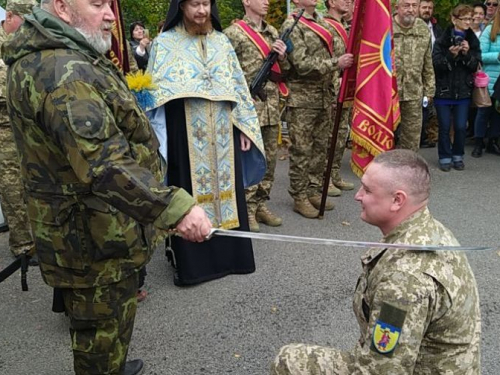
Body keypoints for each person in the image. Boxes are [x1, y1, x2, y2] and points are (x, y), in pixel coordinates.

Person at [3, 1, 212, 374]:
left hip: (97, 227)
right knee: (99, 332)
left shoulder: (66, 54)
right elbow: (104, 163)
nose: (111, 14)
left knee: (109, 325)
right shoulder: (62, 73)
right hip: (90, 236)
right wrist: (175, 208)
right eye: (96, 3)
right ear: (63, 8)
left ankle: (109, 363)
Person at [271, 149, 481, 375]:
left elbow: (383, 371)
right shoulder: (427, 229)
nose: (358, 195)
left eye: (368, 190)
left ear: (397, 200)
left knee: (288, 361)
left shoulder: (404, 280)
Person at [146, 0, 266, 285]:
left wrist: (242, 130)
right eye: (194, 4)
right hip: (184, 134)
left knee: (230, 194)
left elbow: (237, 88)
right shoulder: (164, 44)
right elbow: (154, 96)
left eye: (206, 4)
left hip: (224, 131)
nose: (201, 11)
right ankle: (193, 265)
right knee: (187, 191)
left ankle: (233, 258)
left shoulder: (222, 42)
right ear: (181, 7)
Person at [224, 0, 288, 232]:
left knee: (269, 161)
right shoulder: (232, 33)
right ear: (247, 1)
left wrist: (282, 57)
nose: (267, 2)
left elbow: (284, 72)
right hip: (248, 108)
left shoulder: (273, 32)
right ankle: (247, 209)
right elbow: (225, 71)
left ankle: (261, 203)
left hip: (271, 104)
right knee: (249, 160)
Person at [280, 0, 340, 218]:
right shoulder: (292, 25)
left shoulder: (322, 23)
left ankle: (313, 189)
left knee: (320, 148)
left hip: (324, 95)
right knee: (302, 150)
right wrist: (336, 64)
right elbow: (302, 65)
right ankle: (299, 196)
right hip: (302, 98)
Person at [0, 0, 37, 264]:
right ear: (9, 16)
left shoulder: (25, 43)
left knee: (29, 184)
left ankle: (36, 237)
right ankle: (23, 245)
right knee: (12, 186)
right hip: (3, 129)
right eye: (23, 22)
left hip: (25, 126)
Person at [433, 5, 481, 171]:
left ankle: (458, 155)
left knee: (461, 126)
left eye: (470, 19)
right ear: (454, 20)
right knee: (445, 126)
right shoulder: (441, 41)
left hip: (463, 91)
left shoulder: (473, 41)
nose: (468, 22)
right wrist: (451, 55)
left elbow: (475, 66)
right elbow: (437, 66)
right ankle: (445, 156)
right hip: (443, 90)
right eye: (465, 19)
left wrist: (467, 54)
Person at [393, 0, 435, 152]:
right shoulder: (385, 27)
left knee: (411, 139)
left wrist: (430, 89)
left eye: (414, 5)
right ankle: (382, 173)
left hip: (413, 92)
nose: (411, 9)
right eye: (406, 5)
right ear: (396, 7)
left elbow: (427, 62)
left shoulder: (422, 28)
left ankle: (407, 172)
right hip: (388, 93)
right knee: (384, 137)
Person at [324, 0, 355, 197]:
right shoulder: (325, 26)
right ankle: (323, 177)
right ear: (332, 2)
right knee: (328, 136)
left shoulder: (347, 27)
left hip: (346, 88)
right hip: (331, 89)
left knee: (341, 134)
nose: (349, 3)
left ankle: (334, 174)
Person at [472, 5, 500, 157]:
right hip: (491, 78)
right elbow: (480, 54)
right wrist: (498, 56)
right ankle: (478, 143)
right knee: (484, 111)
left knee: (498, 113)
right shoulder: (490, 30)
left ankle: (492, 142)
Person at [418, 0, 441, 149]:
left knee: (426, 108)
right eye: (424, 7)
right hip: (413, 76)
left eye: (430, 8)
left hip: (432, 73)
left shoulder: (438, 29)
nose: (427, 10)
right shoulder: (412, 27)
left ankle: (421, 137)